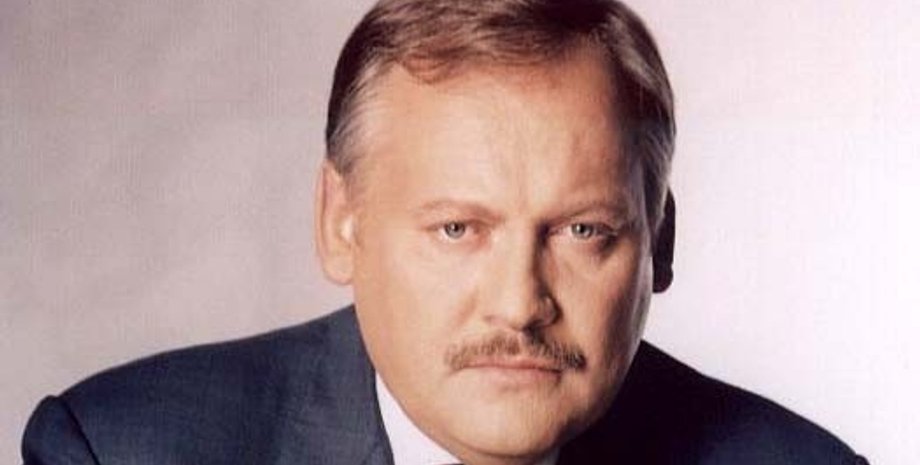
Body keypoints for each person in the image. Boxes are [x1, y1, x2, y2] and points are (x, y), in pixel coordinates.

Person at [21, 0, 868, 464]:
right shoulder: (120, 452)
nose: (519, 304)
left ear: (660, 241)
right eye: (458, 228)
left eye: (583, 229)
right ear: (340, 224)